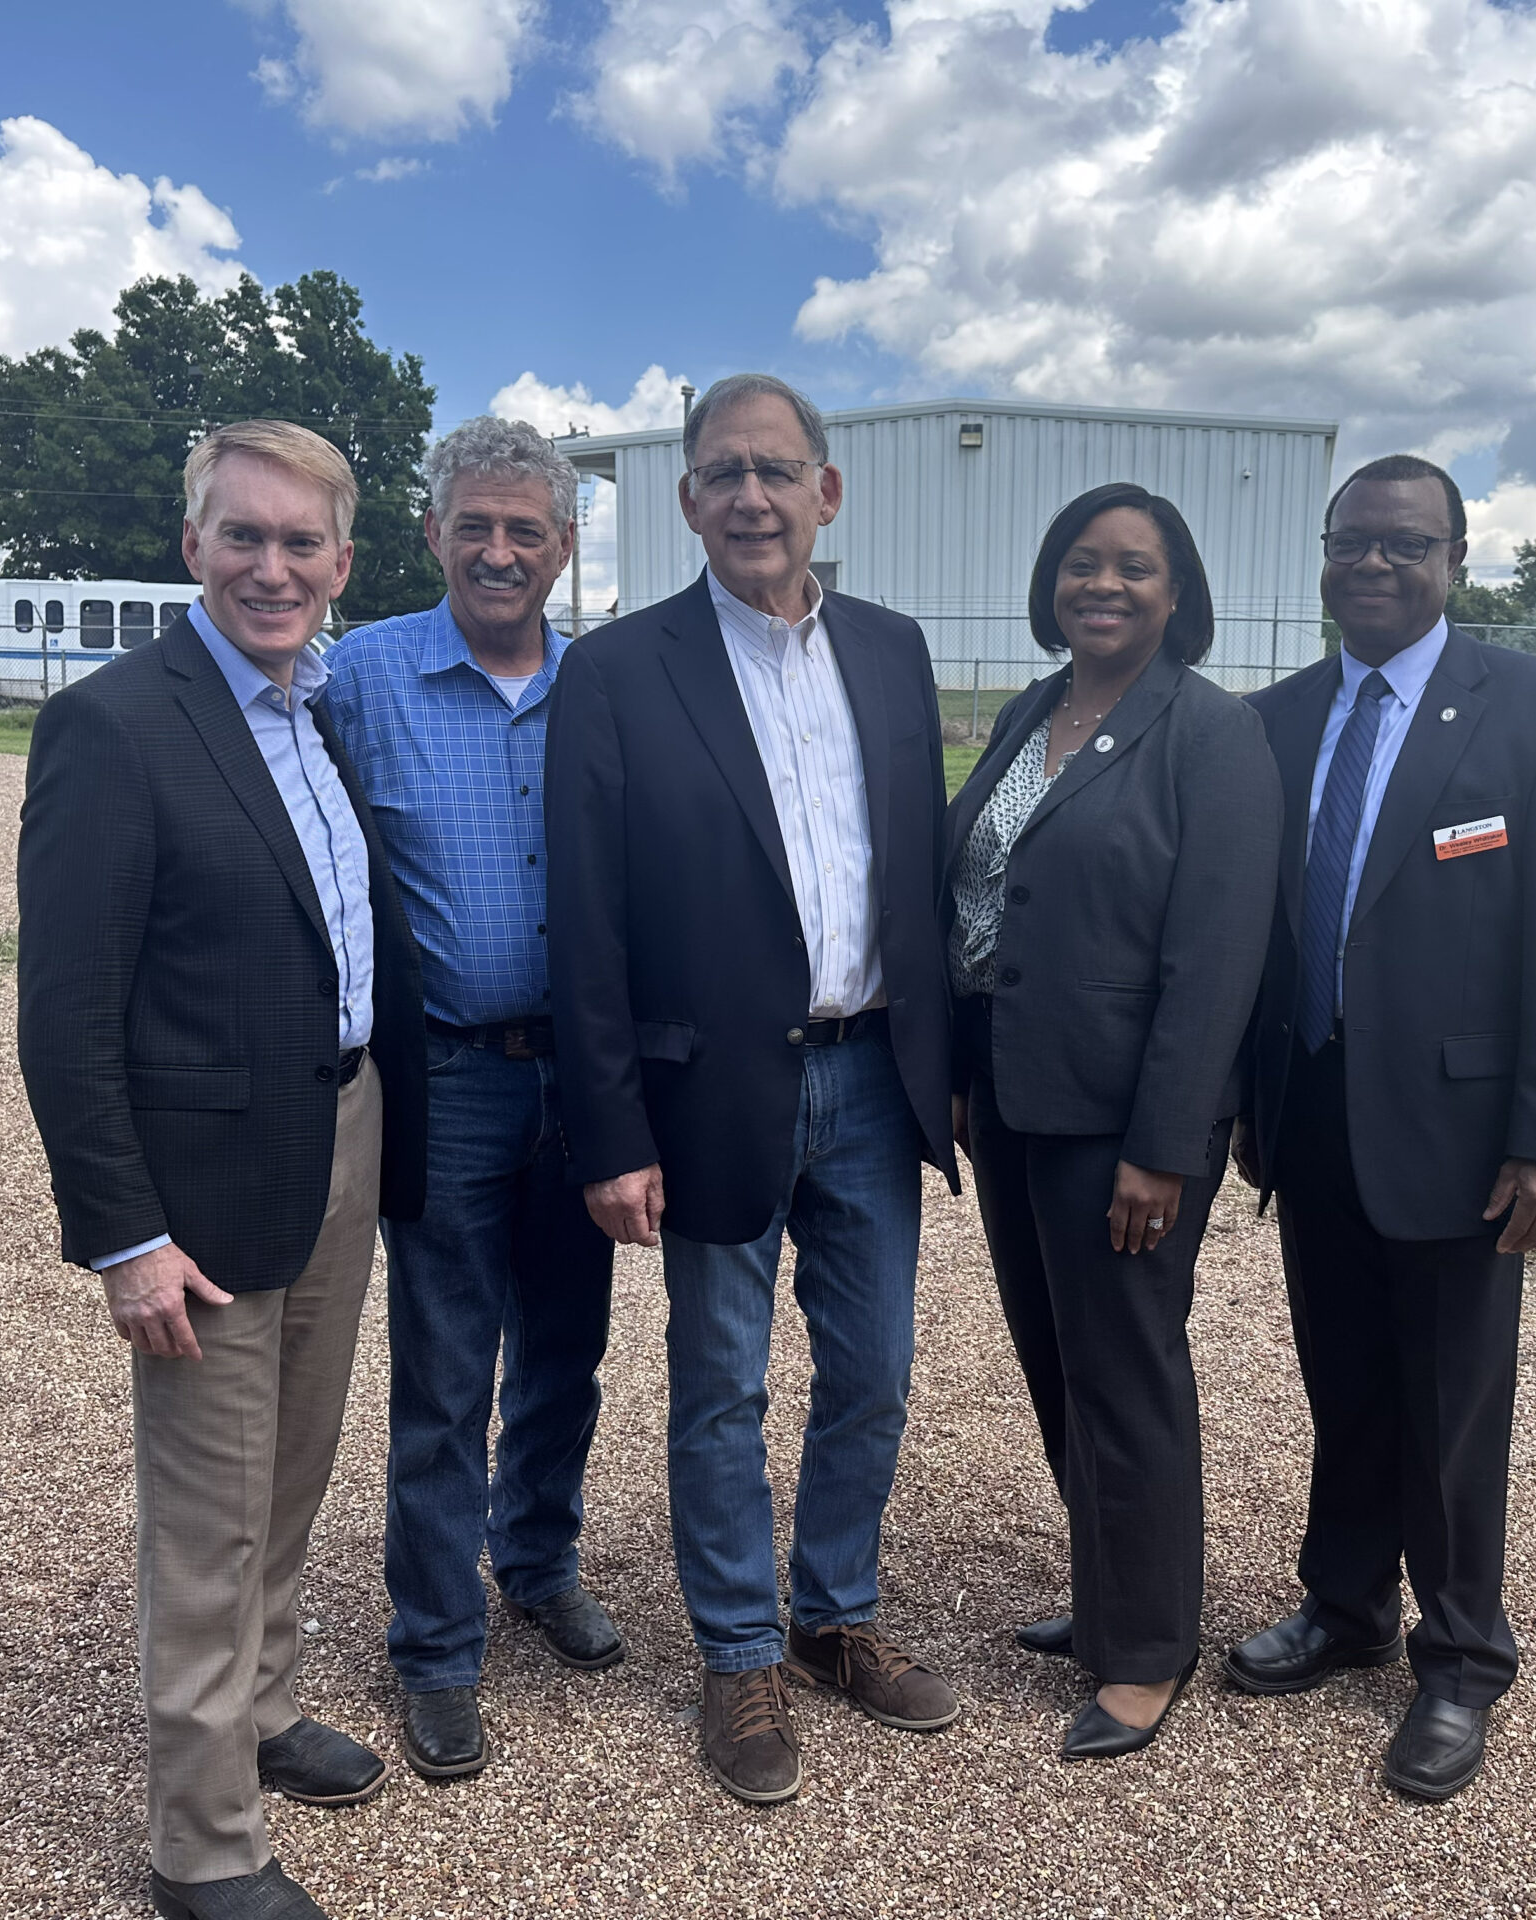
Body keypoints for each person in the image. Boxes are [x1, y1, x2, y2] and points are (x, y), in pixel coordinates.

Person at [16, 420, 428, 1920]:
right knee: (206, 1510)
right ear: (192, 544)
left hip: (341, 1129)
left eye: (300, 542)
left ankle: (260, 1711)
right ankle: (202, 1842)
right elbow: (64, 1018)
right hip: (198, 1183)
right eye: (242, 536)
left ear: (341, 561)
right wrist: (122, 1233)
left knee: (294, 1468)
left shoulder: (310, 714)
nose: (272, 566)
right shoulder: (118, 726)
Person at [547, 373, 961, 1805]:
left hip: (870, 1083)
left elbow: (926, 879)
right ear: (688, 505)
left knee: (876, 1375)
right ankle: (738, 1654)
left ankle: (833, 1612)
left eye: (777, 471)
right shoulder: (618, 671)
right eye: (722, 473)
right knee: (720, 1386)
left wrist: (944, 1069)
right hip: (711, 1094)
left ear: (826, 493)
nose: (751, 497)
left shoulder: (896, 657)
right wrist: (607, 1129)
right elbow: (584, 925)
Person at [1227, 453, 1536, 1803]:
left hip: (1463, 1135)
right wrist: (1244, 1101)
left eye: (1404, 545)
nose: (1374, 566)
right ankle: (1346, 1611)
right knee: (1344, 1381)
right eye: (1353, 543)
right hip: (1315, 1114)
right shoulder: (1275, 721)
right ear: (1325, 555)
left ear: (1455, 560)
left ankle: (1460, 1657)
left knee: (1455, 1403)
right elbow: (1258, 935)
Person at [944, 483, 1280, 1760]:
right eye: (1083, 564)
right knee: (1056, 1360)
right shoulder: (1036, 711)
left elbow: (1216, 957)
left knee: (1128, 1372)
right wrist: (964, 1074)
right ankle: (1105, 1595)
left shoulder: (1210, 733)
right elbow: (989, 900)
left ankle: (1146, 1650)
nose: (1105, 586)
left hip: (1124, 1127)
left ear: (1176, 591)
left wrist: (1163, 1144)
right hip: (1019, 1105)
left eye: (1134, 568)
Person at [321, 417, 620, 1783]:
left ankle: (536, 1560)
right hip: (443, 1074)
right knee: (445, 1374)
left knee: (569, 1346)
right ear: (433, 533)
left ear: (564, 547)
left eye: (529, 530)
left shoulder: (605, 686)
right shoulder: (364, 678)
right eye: (476, 526)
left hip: (589, 1074)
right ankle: (436, 1643)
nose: (501, 552)